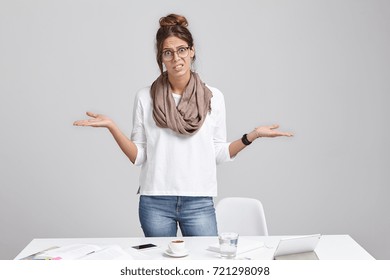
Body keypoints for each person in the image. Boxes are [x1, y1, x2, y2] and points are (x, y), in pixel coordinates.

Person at [73, 14, 293, 237]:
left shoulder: (213, 97)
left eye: (181, 50)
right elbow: (138, 156)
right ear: (161, 58)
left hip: (198, 201)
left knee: (203, 267)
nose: (176, 58)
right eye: (168, 52)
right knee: (162, 270)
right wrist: (112, 126)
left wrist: (252, 136)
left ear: (192, 50)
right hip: (155, 202)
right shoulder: (144, 97)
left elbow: (218, 153)